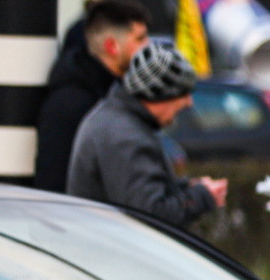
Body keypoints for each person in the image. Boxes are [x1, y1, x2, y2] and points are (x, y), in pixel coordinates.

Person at [62, 42, 226, 228]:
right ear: (161, 94)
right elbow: (151, 215)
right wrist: (202, 197)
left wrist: (187, 189)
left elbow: (139, 193)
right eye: (184, 93)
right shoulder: (126, 137)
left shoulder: (115, 119)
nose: (188, 103)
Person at [33, 0, 150, 194]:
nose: (148, 46)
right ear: (112, 46)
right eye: (139, 39)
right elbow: (55, 181)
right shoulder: (74, 104)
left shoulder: (114, 93)